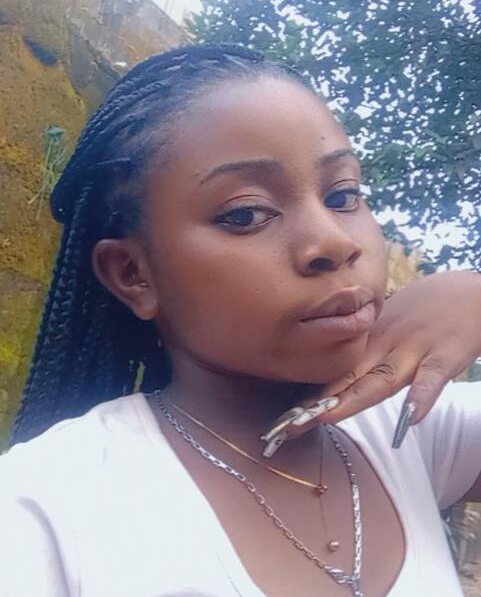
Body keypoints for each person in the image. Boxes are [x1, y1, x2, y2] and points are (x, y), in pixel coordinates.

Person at [1, 43, 480, 597]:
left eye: (343, 195)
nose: (333, 241)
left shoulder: (412, 426)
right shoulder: (46, 509)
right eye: (247, 213)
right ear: (134, 274)